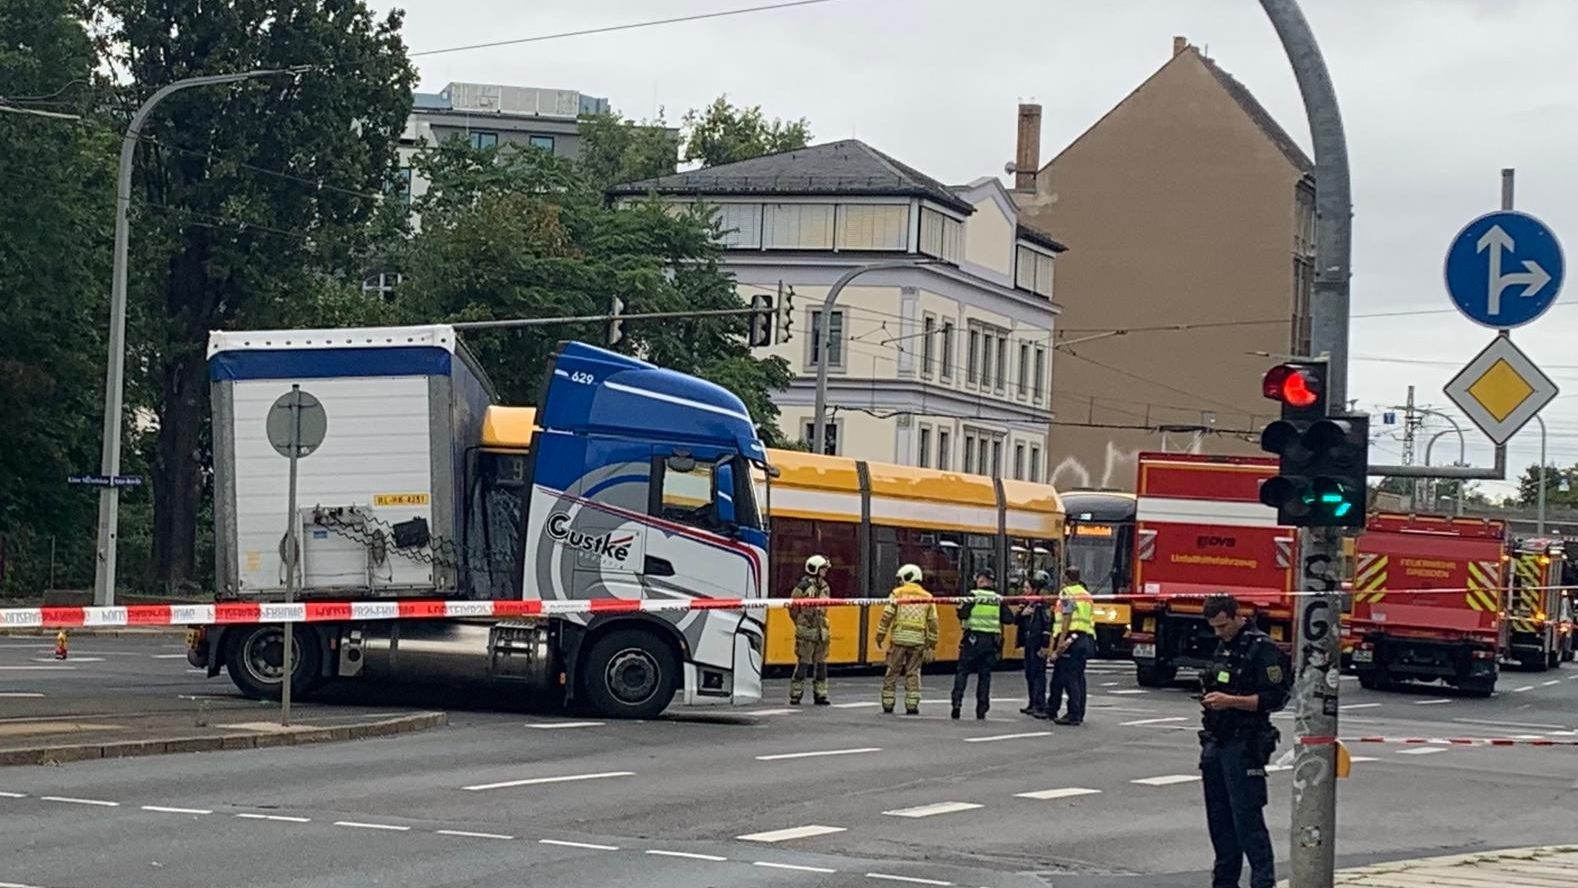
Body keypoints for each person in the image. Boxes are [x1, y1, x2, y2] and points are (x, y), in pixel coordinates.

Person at [1198, 594, 1291, 888]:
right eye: (1214, 627)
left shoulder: (1262, 649)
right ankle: (1224, 882)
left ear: (1237, 615)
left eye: (1223, 626)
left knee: (1247, 820)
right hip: (1217, 739)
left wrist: (1231, 701)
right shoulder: (1225, 646)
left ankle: (1262, 882)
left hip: (1245, 742)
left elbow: (1275, 698)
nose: (1219, 633)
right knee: (1219, 820)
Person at [875, 563, 939, 714]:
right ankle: (912, 705)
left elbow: (887, 616)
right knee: (913, 672)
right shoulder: (927, 597)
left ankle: (888, 703)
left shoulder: (897, 594)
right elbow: (933, 622)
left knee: (892, 671)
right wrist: (931, 644)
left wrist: (880, 635)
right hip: (918, 641)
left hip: (899, 639)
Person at [951, 567, 1010, 720]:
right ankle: (981, 709)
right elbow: (1008, 619)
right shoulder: (998, 599)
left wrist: (960, 610)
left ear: (982, 580)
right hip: (991, 642)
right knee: (985, 676)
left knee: (963, 672)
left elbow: (963, 614)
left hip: (973, 640)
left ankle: (957, 703)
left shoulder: (973, 595)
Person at [1046, 566, 1095, 726]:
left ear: (1066, 577)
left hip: (1070, 637)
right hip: (1084, 637)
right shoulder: (1086, 595)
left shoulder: (1067, 593)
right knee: (1079, 678)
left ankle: (1073, 714)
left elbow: (1066, 617)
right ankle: (1079, 712)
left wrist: (1060, 644)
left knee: (1070, 678)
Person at [788, 554, 833, 705]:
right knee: (803, 663)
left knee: (821, 665)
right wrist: (800, 622)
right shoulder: (803, 587)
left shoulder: (825, 586)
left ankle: (821, 695)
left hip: (821, 632)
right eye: (823, 569)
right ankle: (796, 694)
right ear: (815, 569)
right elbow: (793, 607)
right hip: (806, 631)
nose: (825, 572)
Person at [1014, 570, 1054, 717]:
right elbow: (1015, 620)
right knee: (1029, 674)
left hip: (1037, 643)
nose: (1024, 591)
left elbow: (1047, 625)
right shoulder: (1025, 604)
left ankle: (1040, 705)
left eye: (1026, 588)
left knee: (1038, 674)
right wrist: (1022, 613)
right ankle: (1032, 703)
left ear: (1034, 590)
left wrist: (1045, 645)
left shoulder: (1042, 605)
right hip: (1028, 643)